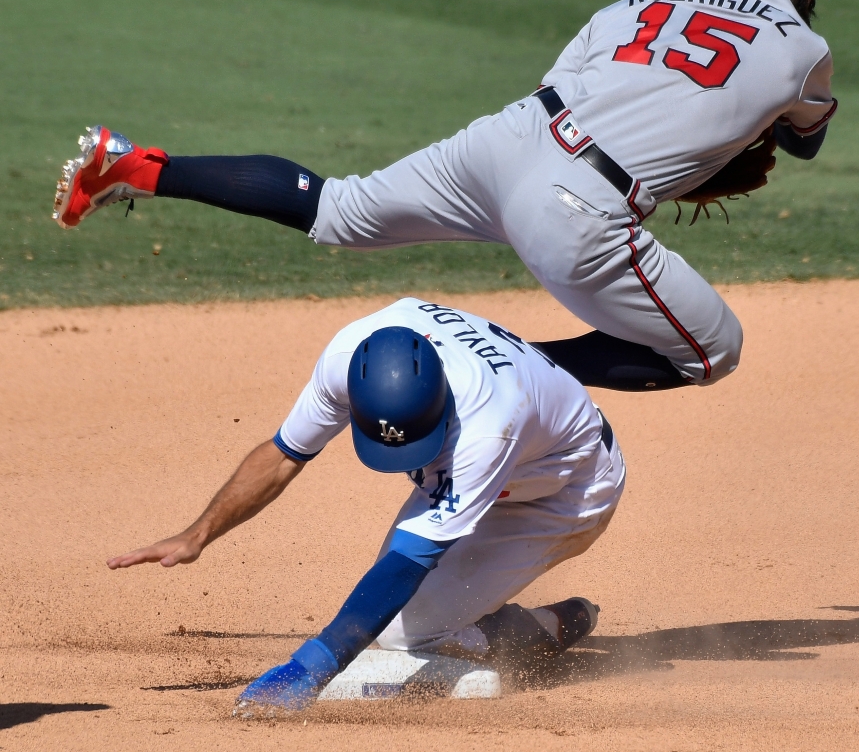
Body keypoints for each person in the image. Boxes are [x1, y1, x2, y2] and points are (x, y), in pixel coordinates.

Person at [53, 0, 857, 393]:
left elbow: (567, 84)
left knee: (336, 208)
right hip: (580, 208)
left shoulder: (633, 1)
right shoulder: (802, 49)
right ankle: (491, 363)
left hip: (509, 139)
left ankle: (135, 164)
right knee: (711, 353)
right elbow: (802, 143)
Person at [107, 298, 626, 713]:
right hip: (500, 465)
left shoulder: (488, 426)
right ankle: (474, 624)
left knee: (404, 630)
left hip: (562, 489)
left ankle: (540, 629)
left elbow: (411, 560)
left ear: (442, 402)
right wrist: (197, 534)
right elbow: (284, 454)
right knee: (394, 618)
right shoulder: (350, 358)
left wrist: (313, 666)